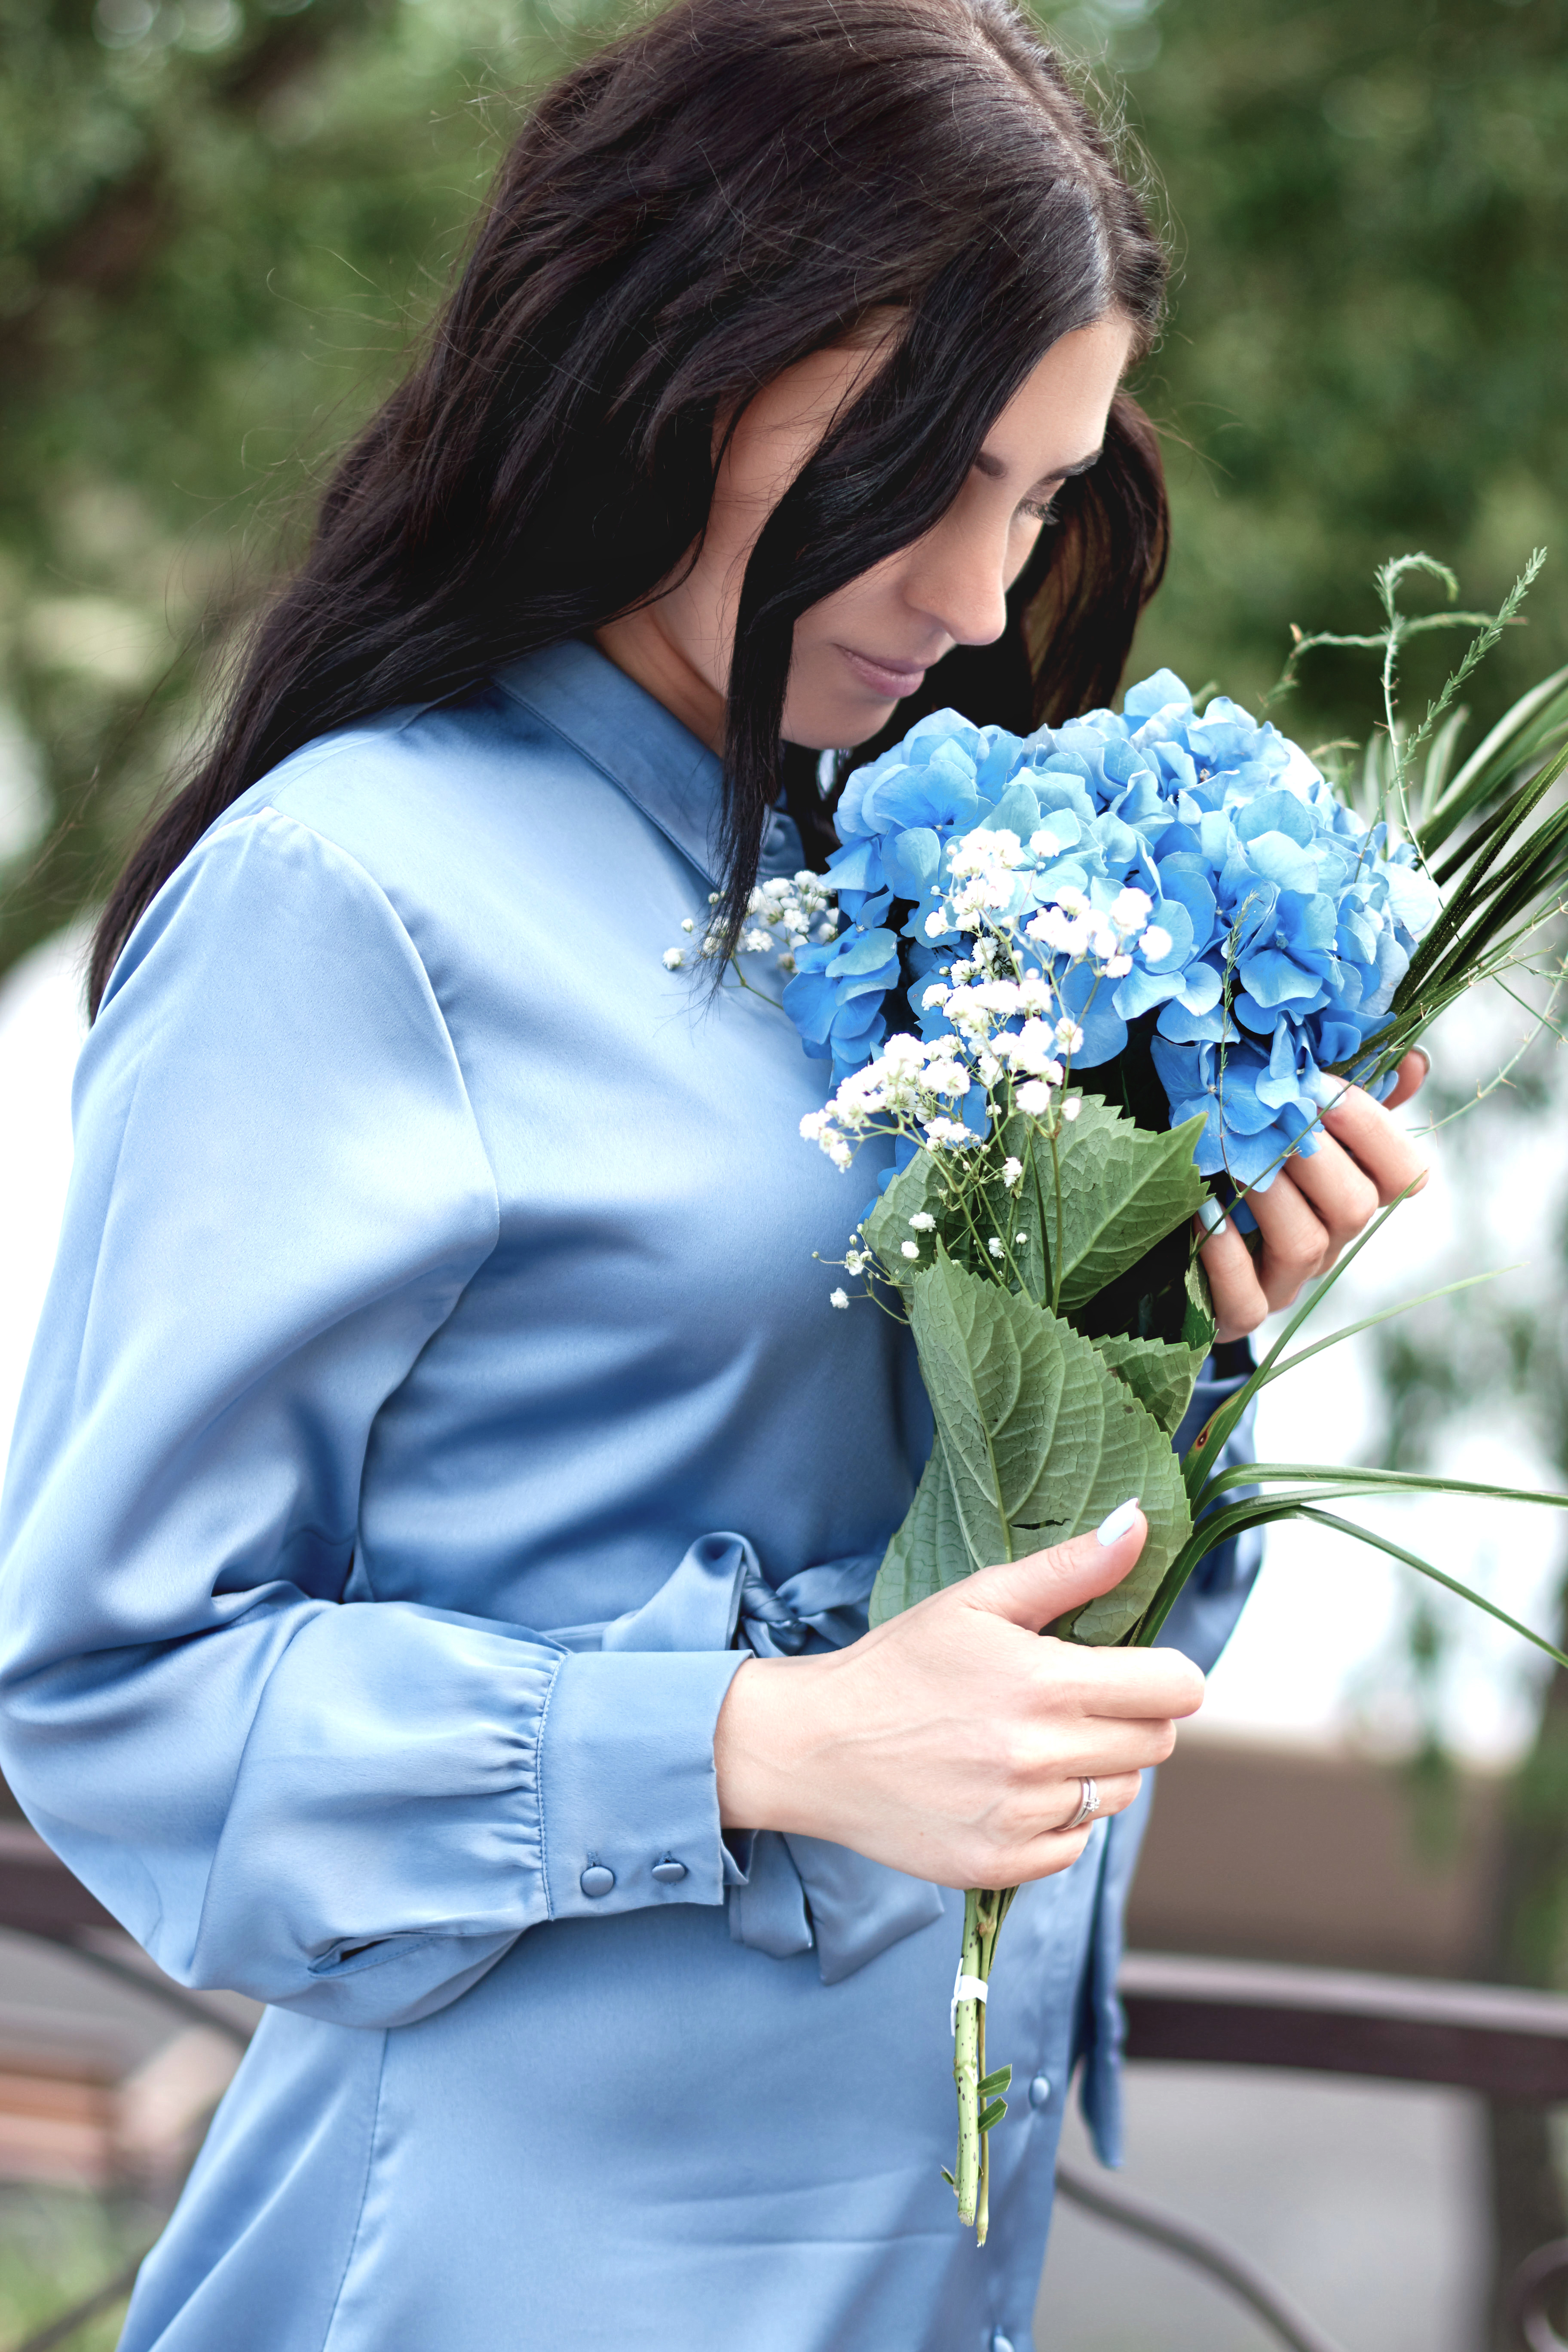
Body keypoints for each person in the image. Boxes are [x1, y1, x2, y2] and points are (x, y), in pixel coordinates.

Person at [0, 1, 1428, 2344]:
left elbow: (1015, 1643)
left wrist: (1180, 1336)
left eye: (1041, 497)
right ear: (674, 362)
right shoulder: (353, 898)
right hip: (503, 2275)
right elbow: (112, 1697)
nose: (981, 596)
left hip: (918, 2256)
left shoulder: (925, 882)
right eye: (926, 472)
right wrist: (758, 1742)